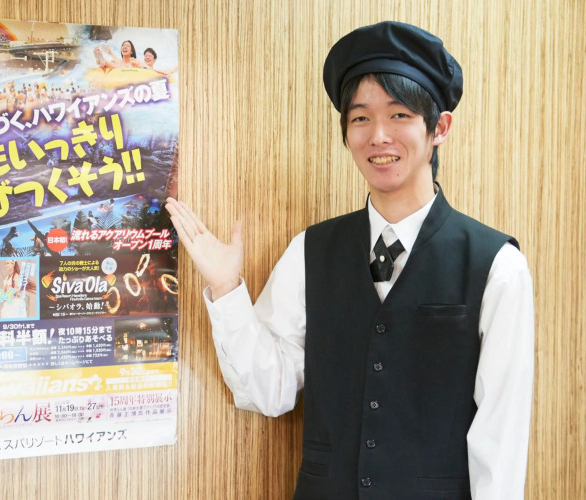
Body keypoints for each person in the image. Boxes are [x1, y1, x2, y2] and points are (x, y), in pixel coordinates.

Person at [166, 21, 534, 500]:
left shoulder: (497, 266)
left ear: (439, 128)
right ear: (345, 133)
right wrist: (227, 289)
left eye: (399, 114)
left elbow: (500, 443)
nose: (378, 136)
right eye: (360, 118)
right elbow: (268, 392)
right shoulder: (310, 250)